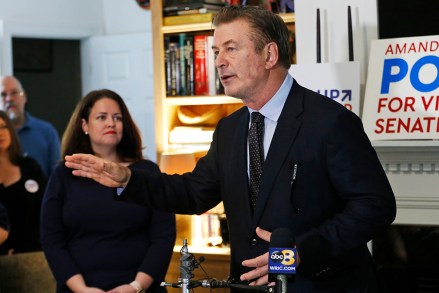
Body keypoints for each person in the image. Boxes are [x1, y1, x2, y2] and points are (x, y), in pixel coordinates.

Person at [64, 6, 397, 293]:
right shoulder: (230, 129)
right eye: (215, 52)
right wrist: (128, 179)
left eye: (231, 49)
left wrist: (299, 253)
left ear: (269, 55)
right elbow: (194, 193)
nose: (219, 62)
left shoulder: (329, 121)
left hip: (321, 285)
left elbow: (375, 205)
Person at [40, 89, 176, 293]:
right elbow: (52, 241)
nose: (111, 123)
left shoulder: (146, 172)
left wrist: (136, 286)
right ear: (84, 125)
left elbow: (163, 238)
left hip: (140, 287)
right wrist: (82, 290)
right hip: (80, 288)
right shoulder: (64, 175)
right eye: (101, 117)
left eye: (117, 118)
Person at [0, 110, 46, 255]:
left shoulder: (29, 166)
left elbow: (47, 207)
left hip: (33, 252)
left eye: (3, 127)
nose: (0, 132)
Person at [0, 75, 61, 178]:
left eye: (14, 93)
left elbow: (56, 175)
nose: (9, 99)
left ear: (24, 97)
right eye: (3, 94)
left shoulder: (47, 132)